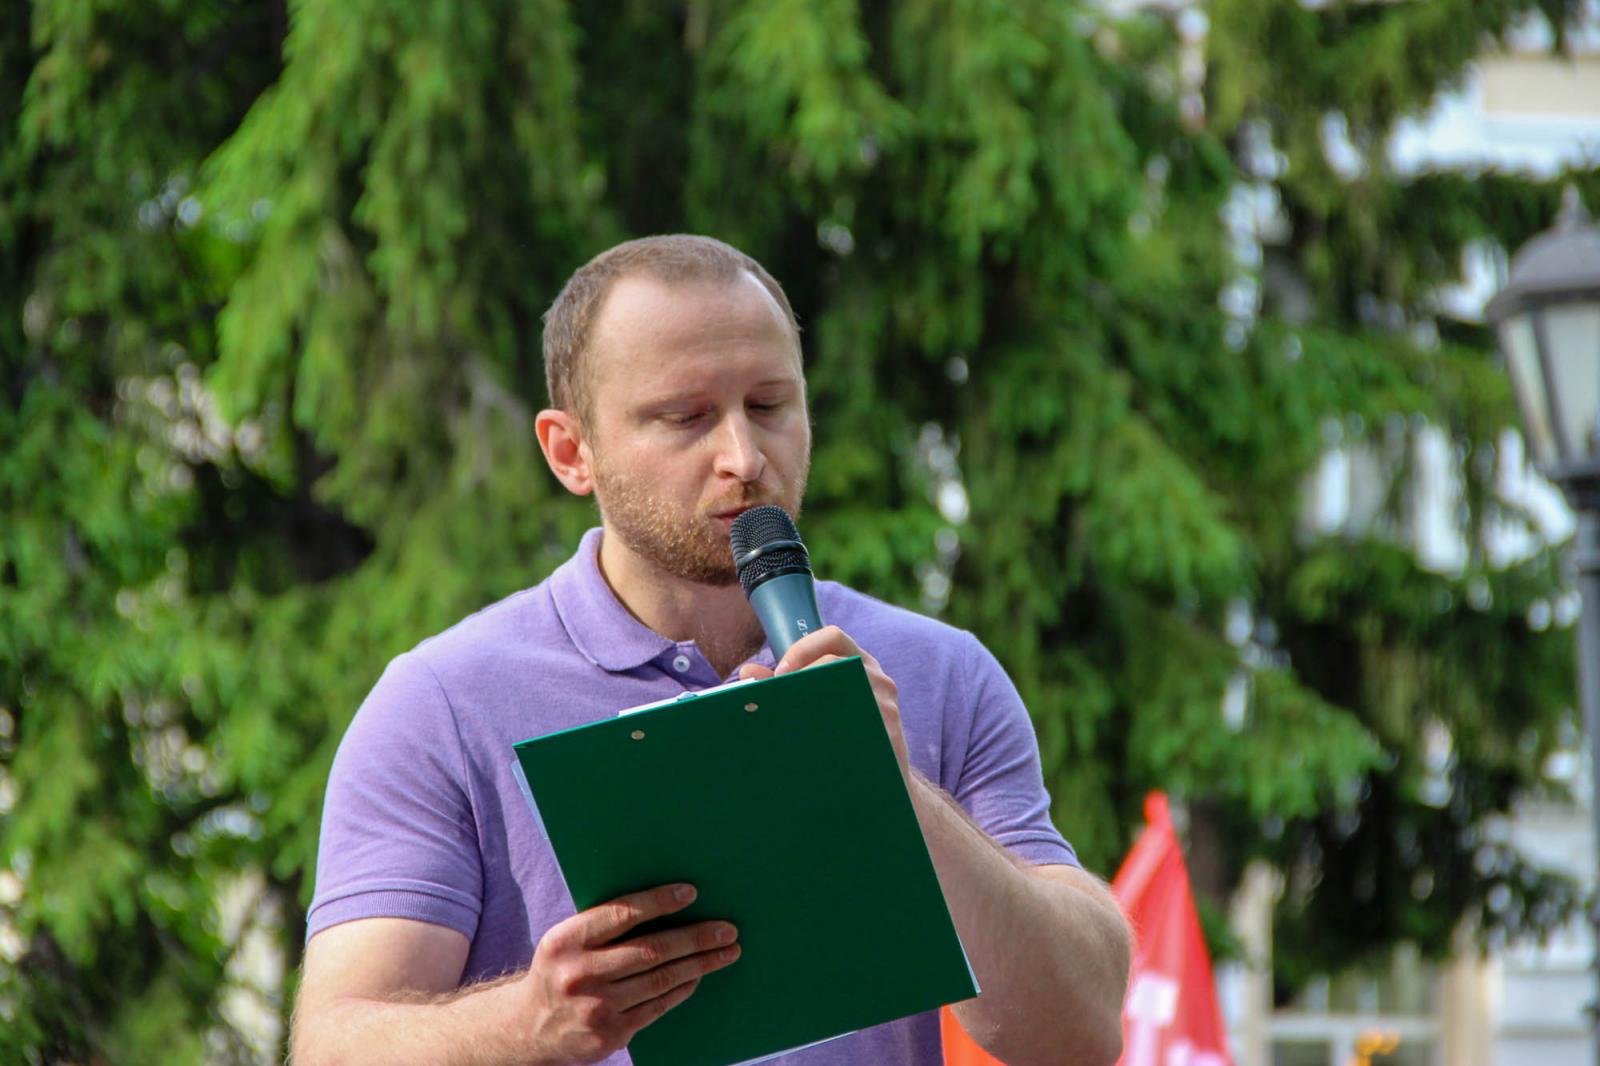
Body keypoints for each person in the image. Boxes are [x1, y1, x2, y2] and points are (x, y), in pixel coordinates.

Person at [290, 235, 1131, 1066]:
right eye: (685, 417)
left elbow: (1080, 1034)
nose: (745, 458)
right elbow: (333, 1049)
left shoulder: (941, 673)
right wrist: (533, 1023)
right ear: (571, 451)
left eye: (769, 406)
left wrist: (899, 792)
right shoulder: (441, 703)